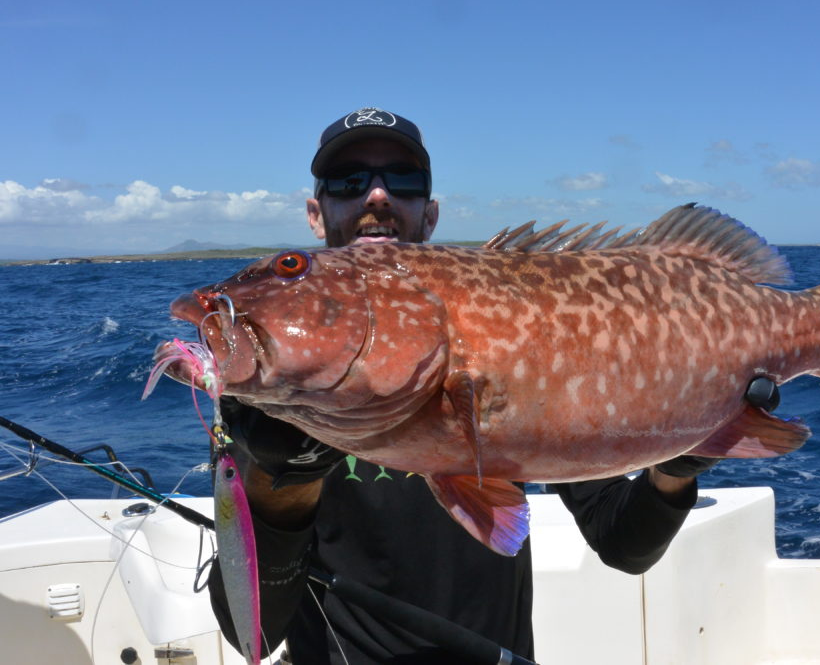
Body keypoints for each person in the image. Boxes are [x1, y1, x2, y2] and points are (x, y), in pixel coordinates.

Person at [208, 107, 731, 664]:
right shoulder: (263, 383)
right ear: (317, 213)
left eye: (403, 182)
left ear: (430, 215)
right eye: (348, 181)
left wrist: (676, 469)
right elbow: (251, 632)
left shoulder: (519, 320)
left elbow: (625, 546)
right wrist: (281, 484)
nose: (378, 196)